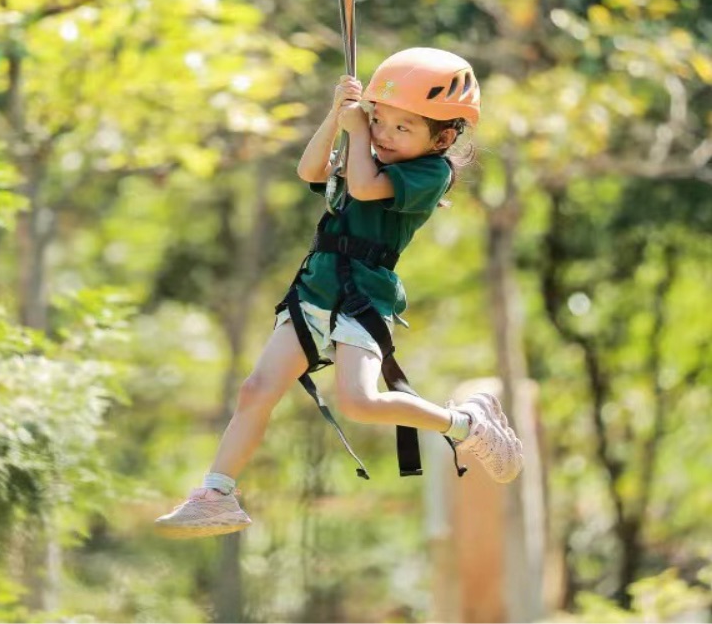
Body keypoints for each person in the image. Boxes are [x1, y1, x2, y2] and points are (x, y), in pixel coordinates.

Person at [155, 48, 524, 539]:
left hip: (361, 298)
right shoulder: (362, 149)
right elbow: (310, 171)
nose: (385, 136)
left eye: (403, 128)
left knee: (360, 401)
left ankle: (465, 425)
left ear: (444, 137)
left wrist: (356, 132)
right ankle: (217, 493)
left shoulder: (430, 173)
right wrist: (337, 115)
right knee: (256, 389)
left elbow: (368, 189)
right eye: (381, 121)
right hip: (314, 290)